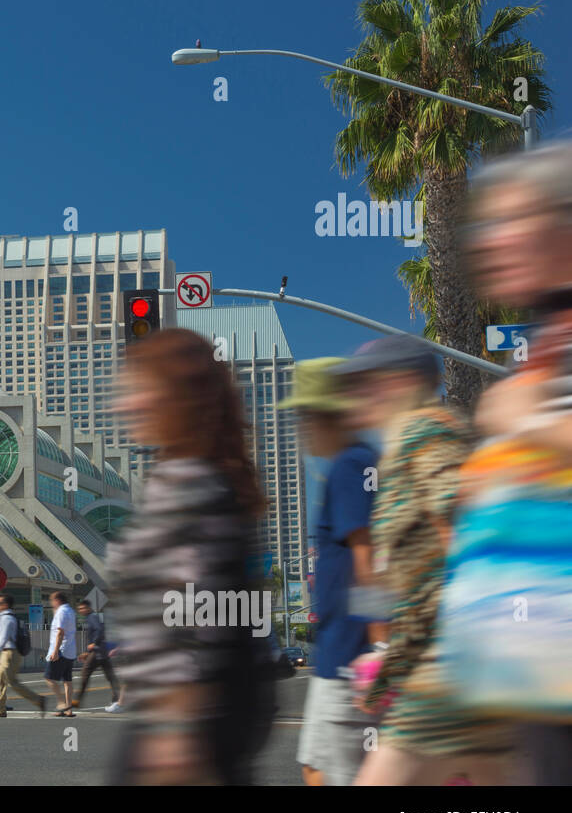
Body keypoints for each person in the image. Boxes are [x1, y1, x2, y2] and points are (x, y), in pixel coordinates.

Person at [331, 337, 511, 785]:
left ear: (402, 381)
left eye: (363, 383)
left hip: (449, 667)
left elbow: (463, 526)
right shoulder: (408, 443)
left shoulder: (423, 431)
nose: (354, 396)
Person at [108, 329, 273, 783]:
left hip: (184, 720)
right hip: (190, 715)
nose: (124, 405)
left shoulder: (191, 484)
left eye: (140, 390)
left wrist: (175, 730)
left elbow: (197, 607)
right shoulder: (192, 475)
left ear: (179, 397)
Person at [459, 143, 572, 784]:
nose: (489, 242)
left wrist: (521, 420)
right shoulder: (545, 338)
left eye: (511, 220)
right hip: (537, 684)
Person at [281, 358, 380, 786]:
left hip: (350, 661)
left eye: (305, 415)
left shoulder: (351, 465)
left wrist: (380, 649)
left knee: (338, 774)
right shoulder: (355, 463)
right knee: (316, 768)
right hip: (337, 658)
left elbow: (370, 557)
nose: (301, 426)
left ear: (327, 415)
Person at [0, 594, 46, 718]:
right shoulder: (6, 617)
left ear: (5, 605)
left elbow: (3, 637)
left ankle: (38, 700)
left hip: (9, 653)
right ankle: (0, 709)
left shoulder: (7, 619)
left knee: (12, 682)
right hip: (7, 653)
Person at [72, 599, 121, 713]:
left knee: (85, 673)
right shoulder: (91, 617)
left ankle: (77, 700)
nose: (81, 611)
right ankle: (117, 700)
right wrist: (87, 652)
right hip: (101, 652)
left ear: (88, 608)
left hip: (97, 652)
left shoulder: (92, 617)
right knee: (111, 677)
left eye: (82, 608)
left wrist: (94, 643)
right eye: (79, 609)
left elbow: (100, 629)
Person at [44, 591, 78, 716]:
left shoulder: (61, 612)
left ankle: (61, 703)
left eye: (52, 601)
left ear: (57, 600)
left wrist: (55, 651)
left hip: (61, 650)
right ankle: (68, 709)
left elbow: (60, 632)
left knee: (49, 678)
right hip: (70, 650)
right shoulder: (70, 611)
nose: (52, 604)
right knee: (67, 681)